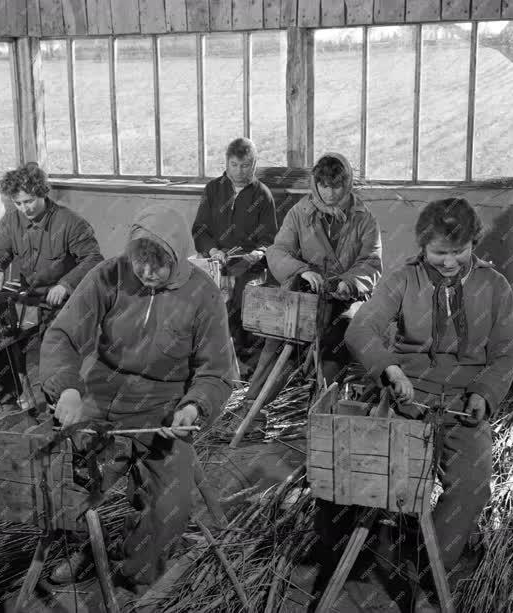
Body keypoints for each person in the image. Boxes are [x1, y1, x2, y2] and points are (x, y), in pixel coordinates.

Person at [39, 203, 233, 589]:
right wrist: (68, 389)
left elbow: (216, 371)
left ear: (177, 258)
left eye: (157, 265)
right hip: (101, 394)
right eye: (139, 262)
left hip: (163, 409)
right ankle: (80, 548)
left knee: (171, 506)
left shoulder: (202, 294)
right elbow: (61, 337)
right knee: (67, 477)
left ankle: (132, 562)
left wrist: (195, 406)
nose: (145, 273)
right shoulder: (108, 275)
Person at [345, 197, 513, 596]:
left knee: (472, 484)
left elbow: (507, 351)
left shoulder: (495, 287)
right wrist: (390, 370)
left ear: (474, 242)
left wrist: (484, 394)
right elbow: (360, 331)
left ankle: (431, 566)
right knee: (385, 479)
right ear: (423, 246)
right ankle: (380, 544)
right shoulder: (403, 279)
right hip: (410, 398)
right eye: (439, 253)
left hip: (464, 401)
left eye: (459, 251)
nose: (449, 261)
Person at [244, 152, 382, 408]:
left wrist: (349, 282)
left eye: (337, 185)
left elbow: (371, 261)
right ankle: (253, 404)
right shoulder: (300, 212)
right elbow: (278, 250)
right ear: (316, 184)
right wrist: (301, 270)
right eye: (324, 185)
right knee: (282, 336)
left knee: (339, 340)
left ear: (347, 183)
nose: (330, 193)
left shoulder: (364, 217)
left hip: (347, 298)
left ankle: (325, 410)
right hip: (308, 292)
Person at [0, 162, 103, 410]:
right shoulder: (12, 221)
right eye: (18, 203)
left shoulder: (70, 222)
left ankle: (58, 403)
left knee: (54, 345)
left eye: (29, 201)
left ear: (42, 192)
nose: (24, 208)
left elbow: (94, 259)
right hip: (30, 296)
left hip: (65, 299)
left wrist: (66, 284)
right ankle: (7, 401)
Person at [192, 137, 277, 372]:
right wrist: (213, 250)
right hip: (214, 260)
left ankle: (238, 360)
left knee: (239, 298)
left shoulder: (263, 195)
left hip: (249, 265)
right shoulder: (213, 189)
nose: (239, 171)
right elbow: (200, 230)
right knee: (200, 298)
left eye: (246, 165)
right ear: (227, 163)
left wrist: (259, 253)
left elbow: (270, 239)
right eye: (234, 165)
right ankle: (206, 359)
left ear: (254, 165)